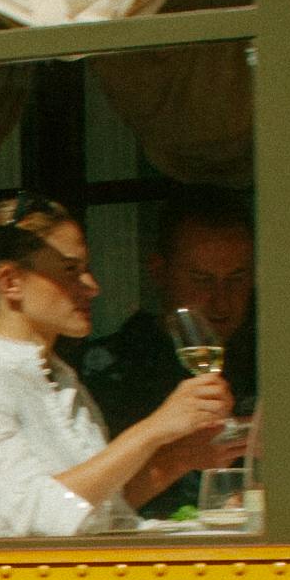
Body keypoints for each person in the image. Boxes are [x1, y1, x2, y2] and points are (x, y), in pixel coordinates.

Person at [0, 203, 234, 537]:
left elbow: (101, 515)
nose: (92, 286)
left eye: (86, 269)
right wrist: (154, 429)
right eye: (70, 270)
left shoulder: (61, 379)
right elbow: (35, 519)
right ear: (10, 282)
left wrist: (181, 457)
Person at [80, 187, 258, 437]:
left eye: (236, 278)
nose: (221, 301)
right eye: (201, 280)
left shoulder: (274, 359)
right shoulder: (110, 370)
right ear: (159, 272)